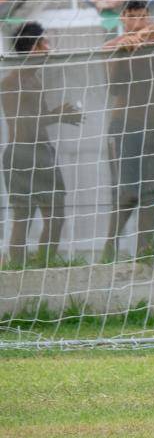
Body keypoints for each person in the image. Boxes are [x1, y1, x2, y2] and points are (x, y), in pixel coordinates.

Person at [1, 22, 82, 264]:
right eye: (44, 42)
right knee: (25, 216)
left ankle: (41, 264)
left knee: (53, 215)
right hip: (24, 153)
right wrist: (59, 115)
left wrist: (59, 115)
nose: (49, 47)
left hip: (40, 152)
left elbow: (37, 120)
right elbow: (24, 125)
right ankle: (19, 270)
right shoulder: (11, 82)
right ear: (32, 47)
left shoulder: (34, 79)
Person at [102, 0, 154, 258]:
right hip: (125, 126)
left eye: (143, 15)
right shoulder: (113, 45)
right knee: (127, 193)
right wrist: (122, 48)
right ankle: (109, 247)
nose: (139, 20)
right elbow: (113, 85)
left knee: (153, 192)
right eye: (133, 16)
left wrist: (146, 32)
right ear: (123, 18)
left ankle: (145, 250)